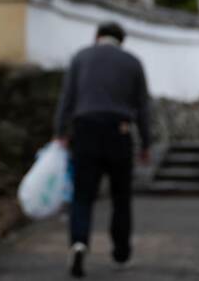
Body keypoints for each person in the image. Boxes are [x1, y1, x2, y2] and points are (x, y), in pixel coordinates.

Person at [53, 21, 152, 278]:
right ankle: (120, 253)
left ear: (96, 37)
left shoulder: (80, 58)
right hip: (119, 133)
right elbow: (143, 106)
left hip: (85, 130)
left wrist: (60, 133)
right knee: (121, 198)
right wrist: (147, 143)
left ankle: (79, 243)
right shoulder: (132, 62)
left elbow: (67, 98)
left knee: (82, 195)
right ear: (122, 40)